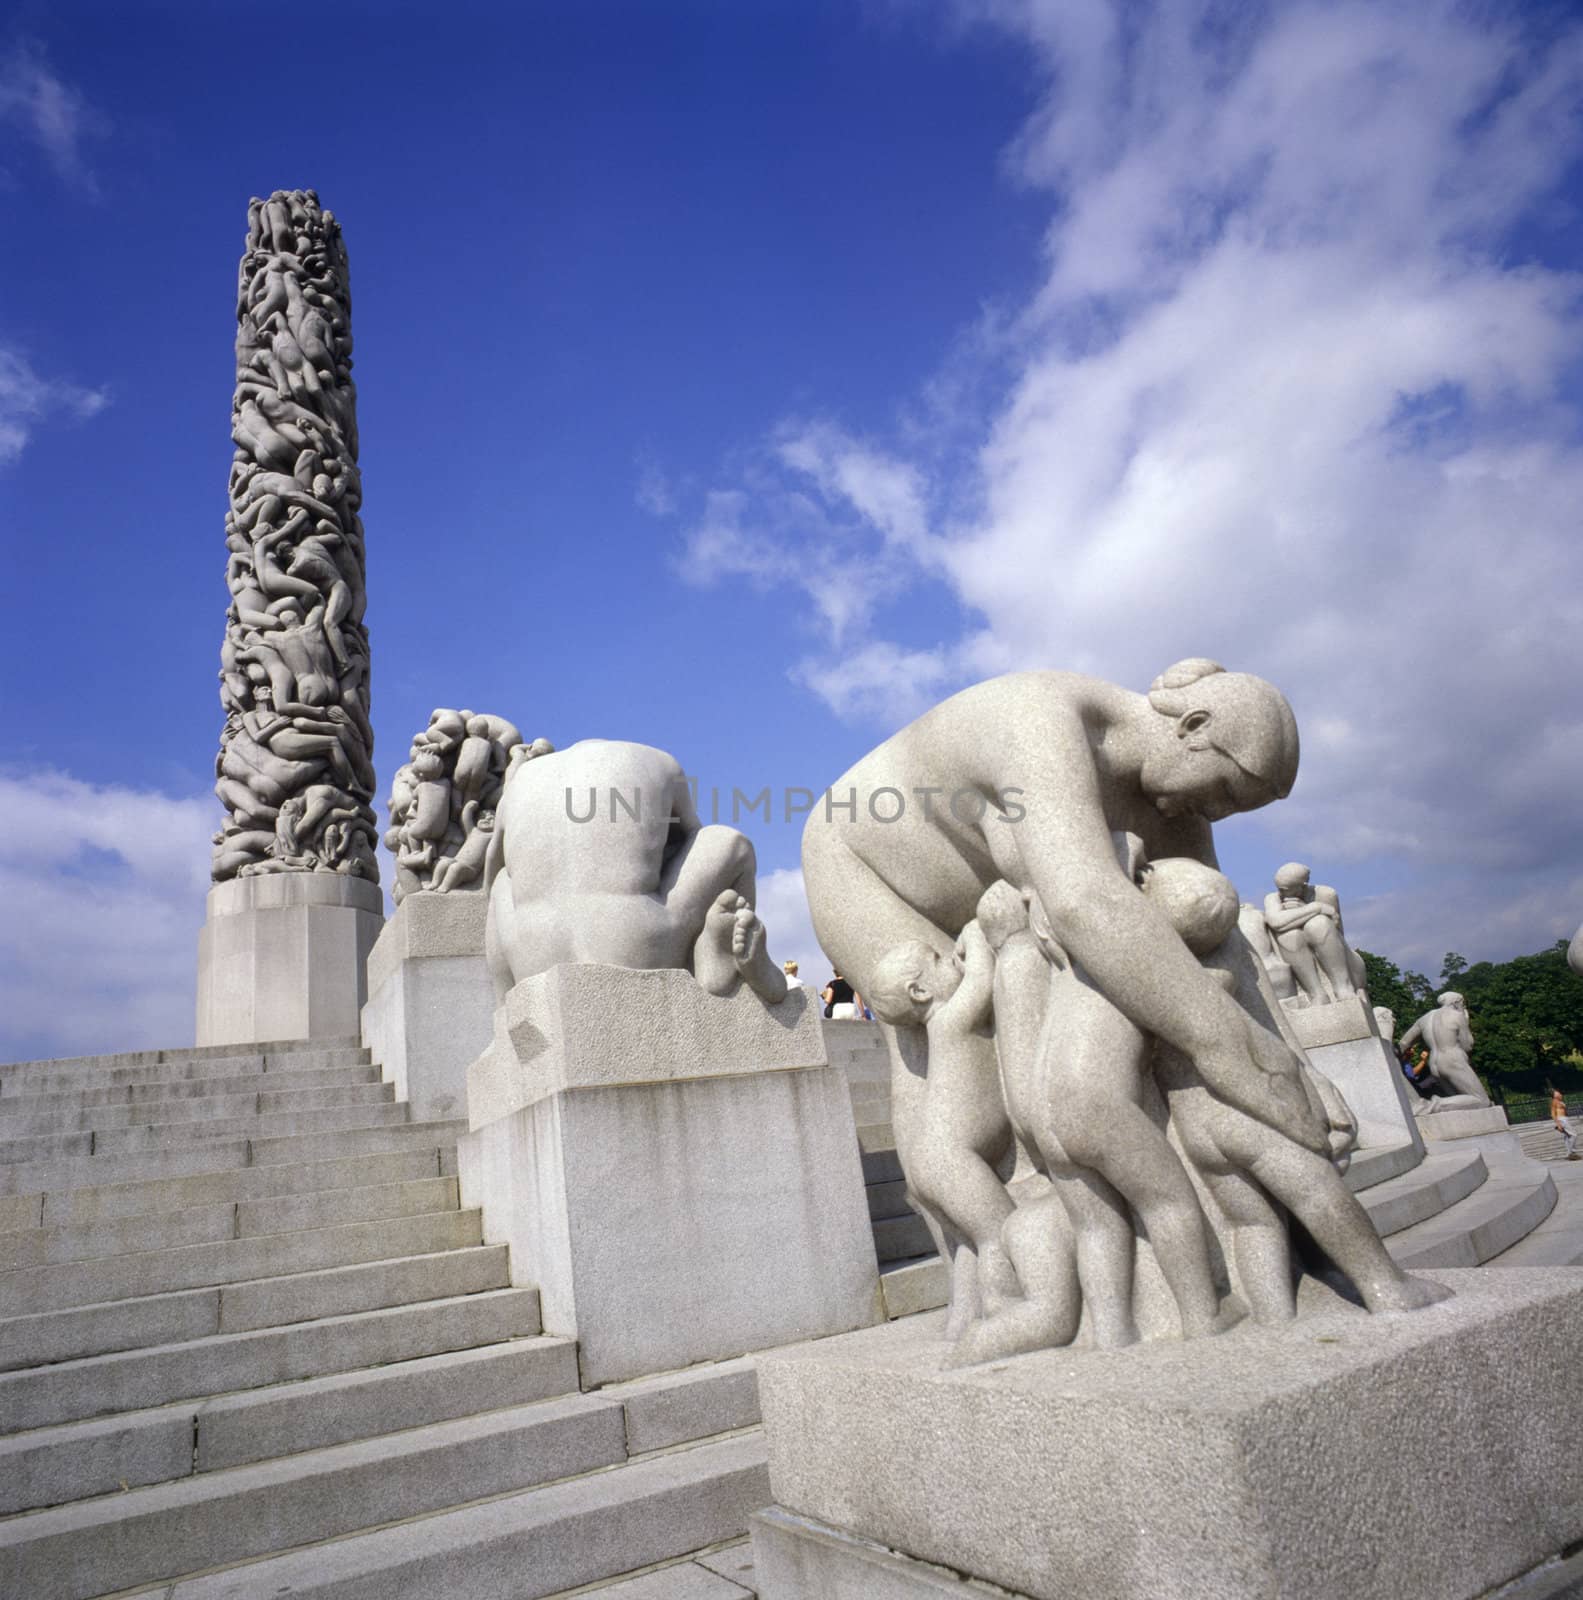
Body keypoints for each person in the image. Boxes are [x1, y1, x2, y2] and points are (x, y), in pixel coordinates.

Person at [1552, 1087, 1579, 1160]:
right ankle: (1572, 1152)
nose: (1559, 1094)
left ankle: (1569, 1154)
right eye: (1556, 1093)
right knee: (1574, 1135)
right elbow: (1553, 1114)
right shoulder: (1554, 1101)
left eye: (1559, 1093)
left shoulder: (1560, 1101)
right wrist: (1558, 1124)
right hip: (1561, 1120)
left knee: (1567, 1136)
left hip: (1565, 1119)